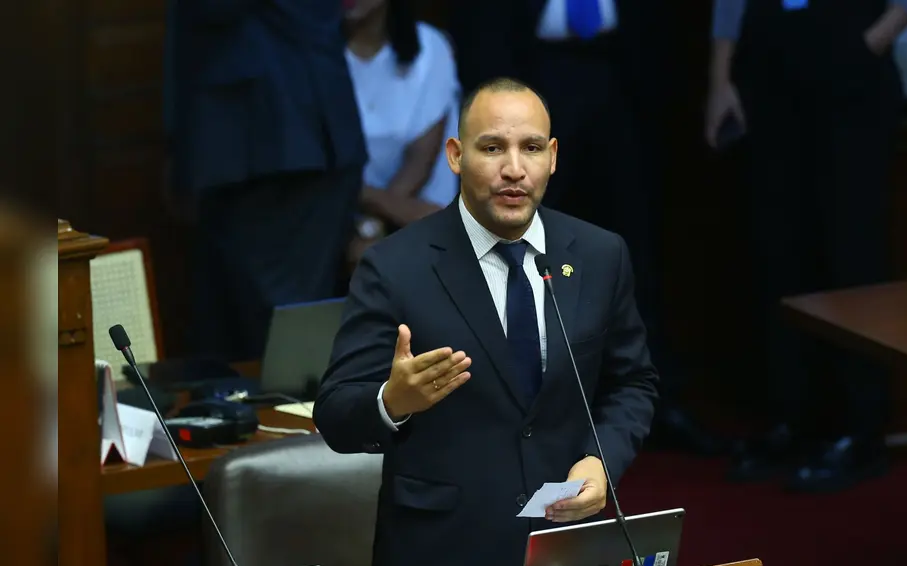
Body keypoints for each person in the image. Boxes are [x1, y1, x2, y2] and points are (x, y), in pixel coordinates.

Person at [313, 77, 658, 566]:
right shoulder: (394, 266)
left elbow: (632, 383)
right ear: (455, 155)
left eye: (531, 148)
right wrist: (393, 400)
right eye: (492, 147)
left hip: (561, 547)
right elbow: (336, 413)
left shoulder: (600, 255)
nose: (513, 169)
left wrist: (600, 459)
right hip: (440, 557)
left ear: (553, 157)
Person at [447, 1, 726, 456]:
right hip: (529, 74)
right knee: (520, 247)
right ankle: (518, 413)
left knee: (638, 248)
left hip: (626, 72)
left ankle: (653, 404)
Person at [705, 0, 907, 492]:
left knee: (852, 252)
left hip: (849, 47)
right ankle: (795, 420)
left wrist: (870, 41)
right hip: (766, 56)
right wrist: (720, 78)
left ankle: (860, 430)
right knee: (779, 251)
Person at [166, 0, 367, 361]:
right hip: (283, 135)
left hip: (278, 142)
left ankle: (299, 416)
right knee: (253, 327)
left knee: (276, 332)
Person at [341, 0, 461, 270]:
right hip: (337, 216)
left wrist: (373, 226)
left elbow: (420, 161)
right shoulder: (309, 53)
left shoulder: (431, 47)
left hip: (414, 213)